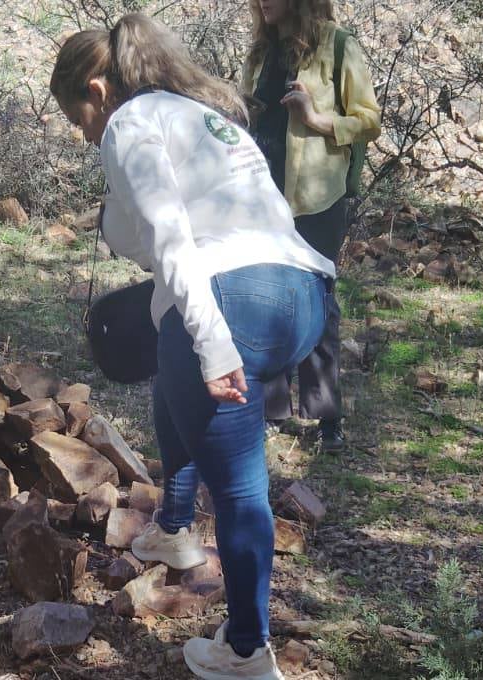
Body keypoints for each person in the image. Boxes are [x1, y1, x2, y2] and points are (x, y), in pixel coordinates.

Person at [50, 14, 334, 679]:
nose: (83, 131)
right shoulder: (202, 115)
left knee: (239, 488)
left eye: (78, 116)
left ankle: (245, 651)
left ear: (98, 89)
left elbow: (172, 235)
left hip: (232, 300)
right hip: (302, 297)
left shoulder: (128, 122)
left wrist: (212, 344)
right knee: (169, 373)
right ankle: (174, 531)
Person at [242, 0, 381, 451]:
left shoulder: (339, 47)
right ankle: (271, 409)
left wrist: (315, 117)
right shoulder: (261, 50)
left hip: (317, 200)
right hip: (263, 195)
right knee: (264, 298)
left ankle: (326, 418)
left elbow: (369, 119)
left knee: (318, 303)